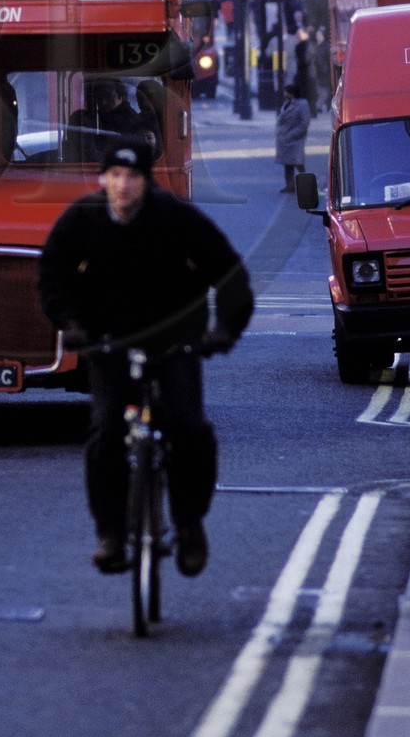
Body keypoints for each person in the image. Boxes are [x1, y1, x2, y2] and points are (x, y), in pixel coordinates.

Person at [38, 136, 254, 577]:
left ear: (146, 182)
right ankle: (111, 535)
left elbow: (229, 273)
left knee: (189, 429)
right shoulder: (83, 220)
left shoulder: (176, 219)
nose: (122, 185)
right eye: (114, 176)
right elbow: (52, 273)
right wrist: (70, 323)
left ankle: (190, 524)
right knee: (105, 433)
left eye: (132, 176)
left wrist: (224, 331)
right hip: (109, 341)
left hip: (174, 341)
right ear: (102, 180)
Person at [67, 77, 141, 160]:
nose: (103, 102)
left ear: (121, 97)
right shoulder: (100, 117)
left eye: (108, 96)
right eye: (99, 98)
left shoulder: (129, 120)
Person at [276, 83, 311, 192]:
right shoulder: (286, 103)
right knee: (287, 164)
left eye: (286, 91)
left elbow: (304, 123)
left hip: (295, 139)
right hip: (285, 138)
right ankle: (289, 185)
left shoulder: (302, 104)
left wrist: (293, 134)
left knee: (298, 163)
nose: (284, 93)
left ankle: (307, 183)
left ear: (291, 93)